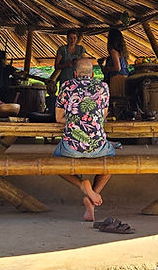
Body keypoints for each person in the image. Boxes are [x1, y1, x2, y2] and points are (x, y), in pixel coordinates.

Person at [55, 57, 114, 222]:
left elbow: (59, 118)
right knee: (111, 162)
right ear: (93, 74)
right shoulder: (103, 87)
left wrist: (75, 118)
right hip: (98, 147)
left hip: (71, 148)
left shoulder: (66, 86)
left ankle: (83, 186)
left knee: (54, 163)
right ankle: (93, 196)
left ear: (74, 74)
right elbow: (101, 118)